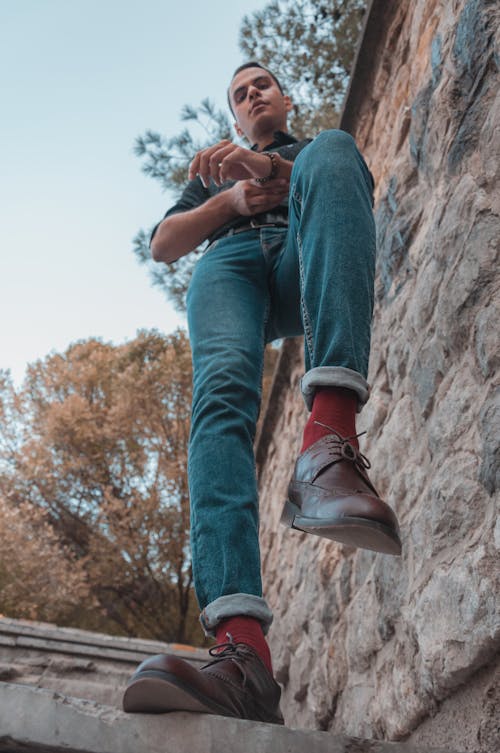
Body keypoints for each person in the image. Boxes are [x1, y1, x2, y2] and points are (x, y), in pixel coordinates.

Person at [123, 62, 401, 725]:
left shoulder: (303, 152)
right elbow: (164, 244)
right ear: (235, 116)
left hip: (299, 257)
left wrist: (270, 171)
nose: (253, 94)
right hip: (229, 267)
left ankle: (328, 450)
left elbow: (339, 202)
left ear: (284, 99)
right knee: (220, 397)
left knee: (336, 149)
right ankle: (242, 653)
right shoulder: (210, 175)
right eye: (241, 94)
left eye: (263, 85)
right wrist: (228, 200)